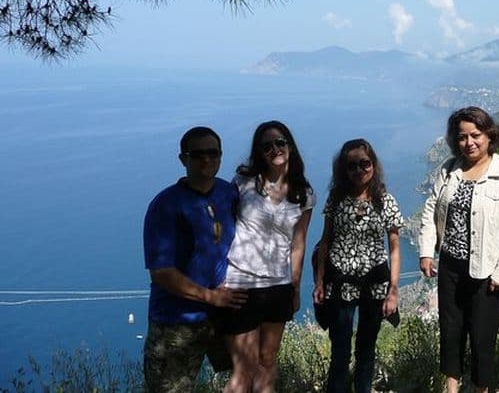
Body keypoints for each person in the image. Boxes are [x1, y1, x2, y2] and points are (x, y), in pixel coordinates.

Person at [419, 106, 499, 393]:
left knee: (482, 339)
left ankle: (482, 389)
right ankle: (451, 388)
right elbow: (431, 210)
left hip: (487, 272)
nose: (469, 142)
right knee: (451, 332)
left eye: (475, 135)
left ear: (489, 135)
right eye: (462, 137)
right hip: (451, 267)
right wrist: (427, 251)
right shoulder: (449, 169)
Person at [142, 126, 248, 392]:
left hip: (221, 314)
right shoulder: (165, 205)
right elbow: (161, 272)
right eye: (198, 154)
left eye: (213, 153)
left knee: (246, 377)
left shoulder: (228, 193)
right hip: (177, 321)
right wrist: (211, 297)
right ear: (183, 159)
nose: (206, 159)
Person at [220, 121, 315, 392]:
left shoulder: (303, 193)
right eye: (266, 146)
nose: (275, 149)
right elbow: (222, 230)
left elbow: (298, 244)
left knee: (267, 360)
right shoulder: (243, 183)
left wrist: (295, 288)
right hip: (241, 284)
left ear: (290, 146)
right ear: (259, 153)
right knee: (244, 369)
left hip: (278, 286)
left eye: (280, 142)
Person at [313, 138, 402, 393]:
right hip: (340, 284)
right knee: (340, 352)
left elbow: (395, 249)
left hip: (374, 285)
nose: (359, 170)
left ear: (373, 164)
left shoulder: (385, 201)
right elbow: (325, 241)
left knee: (366, 350)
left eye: (364, 163)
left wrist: (393, 291)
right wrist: (320, 281)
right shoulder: (336, 199)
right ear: (343, 169)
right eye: (351, 166)